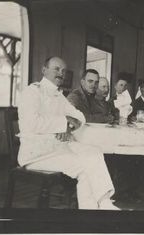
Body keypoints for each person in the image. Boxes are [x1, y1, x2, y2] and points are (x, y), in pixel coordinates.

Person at [17, 57, 118, 210]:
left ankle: (103, 202)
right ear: (44, 70)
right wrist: (63, 123)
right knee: (85, 168)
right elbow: (31, 123)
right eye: (56, 69)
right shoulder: (32, 92)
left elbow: (80, 116)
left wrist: (68, 126)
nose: (61, 73)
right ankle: (94, 209)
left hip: (57, 147)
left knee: (94, 151)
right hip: (36, 153)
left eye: (63, 71)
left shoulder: (59, 96)